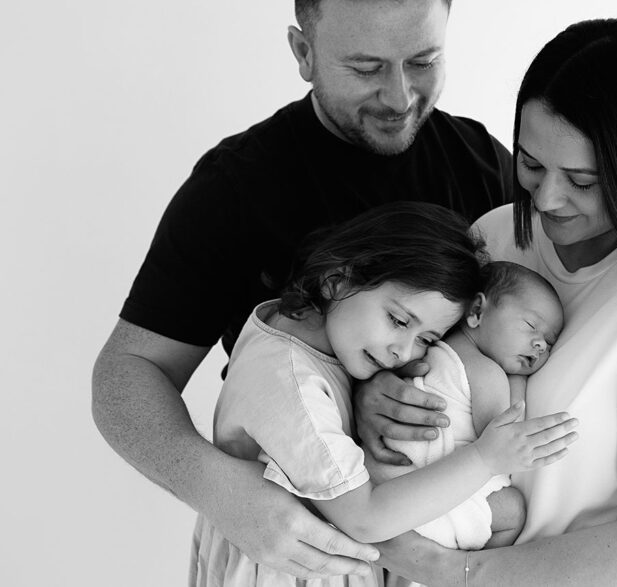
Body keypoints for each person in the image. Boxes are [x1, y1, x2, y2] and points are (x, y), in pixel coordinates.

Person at [91, 0, 512, 580]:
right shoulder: (238, 185)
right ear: (302, 52)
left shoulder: (482, 166)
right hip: (286, 552)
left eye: (424, 60)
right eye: (367, 66)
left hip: (441, 548)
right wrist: (219, 489)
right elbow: (124, 376)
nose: (400, 96)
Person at [356, 18, 617, 586]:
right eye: (532, 164)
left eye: (582, 180)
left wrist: (455, 571)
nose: (546, 198)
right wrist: (379, 393)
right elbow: (421, 353)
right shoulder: (494, 236)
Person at [191, 203, 578, 586]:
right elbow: (366, 518)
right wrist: (483, 457)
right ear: (336, 281)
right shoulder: (292, 389)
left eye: (427, 339)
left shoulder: (300, 325)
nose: (404, 352)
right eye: (398, 320)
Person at [366, 261, 565, 556]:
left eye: (549, 343)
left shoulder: (426, 350)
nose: (539, 345)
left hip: (380, 483)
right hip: (426, 499)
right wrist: (518, 382)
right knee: (513, 511)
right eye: (531, 326)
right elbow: (505, 441)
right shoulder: (487, 373)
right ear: (476, 312)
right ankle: (473, 566)